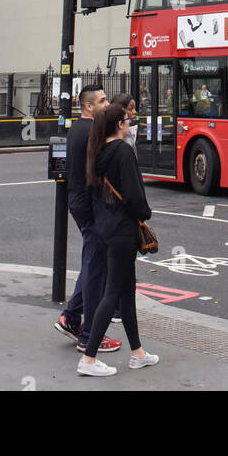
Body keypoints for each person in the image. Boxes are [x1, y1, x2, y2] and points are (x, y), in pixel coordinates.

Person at [78, 102, 158, 377]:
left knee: (126, 291)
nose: (130, 121)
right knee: (113, 293)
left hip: (106, 225)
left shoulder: (98, 151)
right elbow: (134, 194)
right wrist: (145, 213)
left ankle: (138, 353)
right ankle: (88, 358)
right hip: (123, 228)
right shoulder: (123, 151)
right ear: (119, 125)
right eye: (127, 118)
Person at [54, 85, 121, 355]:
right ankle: (89, 335)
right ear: (88, 106)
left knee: (95, 260)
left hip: (79, 201)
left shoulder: (79, 129)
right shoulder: (92, 131)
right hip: (90, 205)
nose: (107, 104)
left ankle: (71, 316)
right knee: (96, 267)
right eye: (103, 101)